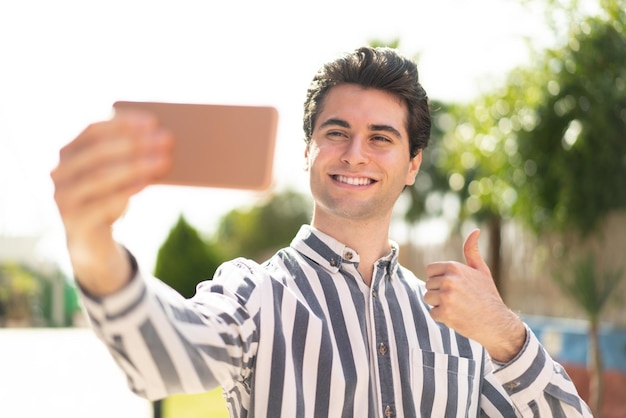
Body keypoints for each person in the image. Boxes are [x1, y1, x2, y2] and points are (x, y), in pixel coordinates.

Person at [51, 46, 591, 417]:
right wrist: (91, 243)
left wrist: (506, 334)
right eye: (337, 132)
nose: (355, 153)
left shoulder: (457, 320)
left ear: (412, 164)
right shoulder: (255, 294)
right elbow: (159, 357)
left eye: (381, 137)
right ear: (308, 150)